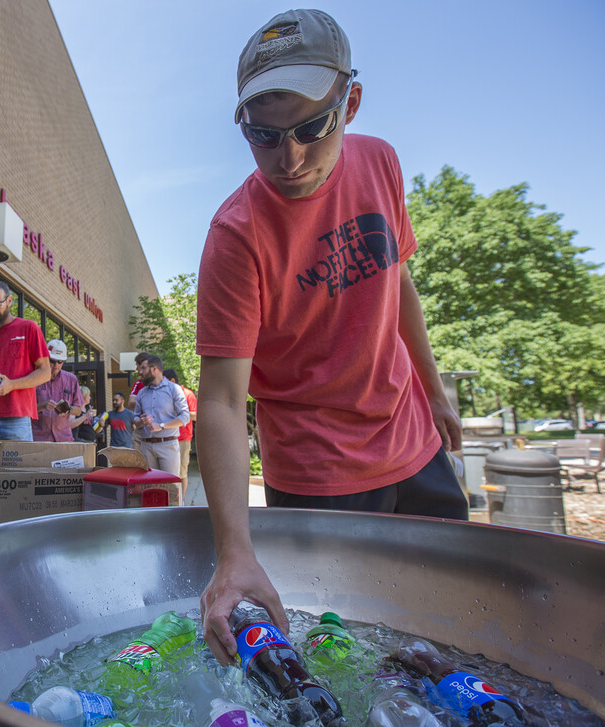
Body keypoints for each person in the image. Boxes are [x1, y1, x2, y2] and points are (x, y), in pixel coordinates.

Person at [196, 8, 468, 665]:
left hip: (413, 440)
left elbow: (397, 279)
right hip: (319, 471)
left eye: (310, 128)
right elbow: (224, 401)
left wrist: (435, 391)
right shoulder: (236, 235)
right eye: (262, 136)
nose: (287, 159)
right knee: (356, 659)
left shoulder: (380, 163)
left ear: (350, 103)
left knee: (453, 640)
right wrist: (236, 551)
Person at [0, 281, 51, 441]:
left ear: (9, 301)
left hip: (17, 418)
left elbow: (45, 372)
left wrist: (11, 385)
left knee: (16, 467)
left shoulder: (29, 328)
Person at [133, 355, 190, 474]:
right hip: (146, 447)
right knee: (149, 488)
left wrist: (161, 425)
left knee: (171, 488)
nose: (140, 372)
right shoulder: (141, 393)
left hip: (168, 445)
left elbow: (185, 417)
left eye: (143, 368)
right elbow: (136, 418)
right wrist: (141, 422)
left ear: (154, 369)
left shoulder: (174, 389)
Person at [32, 339, 84, 442]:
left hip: (64, 438)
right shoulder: (35, 377)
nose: (56, 365)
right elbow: (25, 410)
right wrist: (43, 406)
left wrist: (68, 409)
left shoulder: (71, 379)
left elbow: (79, 410)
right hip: (39, 438)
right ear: (46, 358)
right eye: (53, 361)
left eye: (60, 362)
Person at [163, 368, 198, 493]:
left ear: (172, 380)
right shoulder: (164, 395)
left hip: (182, 438)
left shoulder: (187, 394)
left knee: (181, 472)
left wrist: (181, 413)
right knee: (167, 473)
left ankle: (180, 502)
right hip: (166, 438)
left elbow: (196, 415)